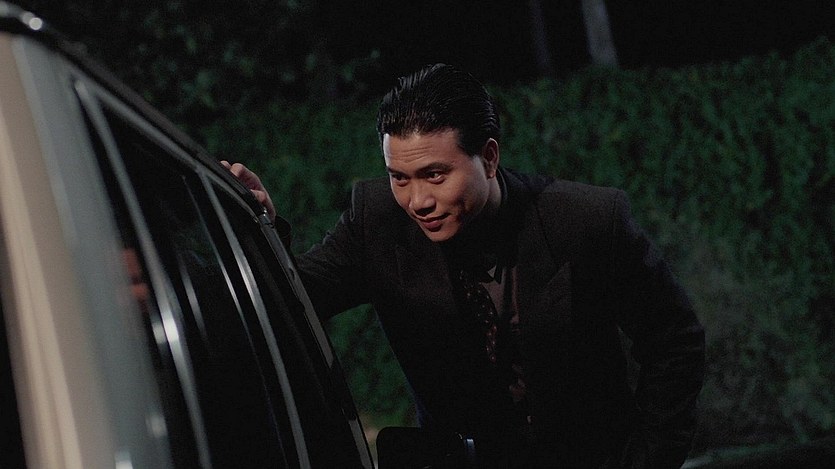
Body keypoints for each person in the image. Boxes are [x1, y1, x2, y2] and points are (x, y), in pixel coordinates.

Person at [224, 63, 705, 468]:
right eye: (399, 178)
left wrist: (645, 462)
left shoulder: (587, 221)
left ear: (489, 158)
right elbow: (293, 301)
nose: (417, 200)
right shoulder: (377, 222)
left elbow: (675, 343)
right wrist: (259, 227)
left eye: (435, 175)